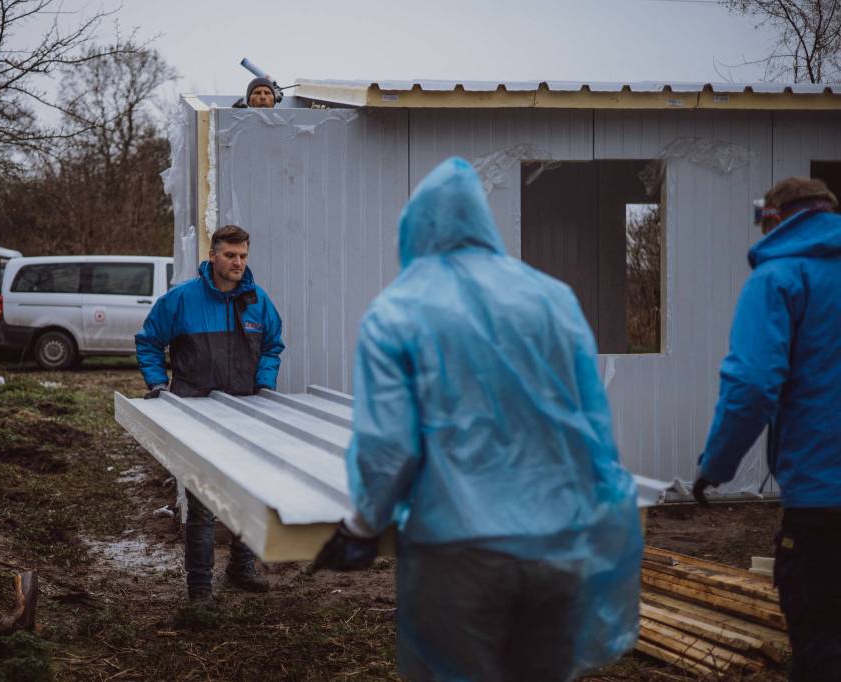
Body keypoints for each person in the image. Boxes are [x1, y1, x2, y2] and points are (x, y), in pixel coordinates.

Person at [313, 157, 642, 681]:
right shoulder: (554, 300)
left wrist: (363, 525)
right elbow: (594, 427)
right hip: (560, 545)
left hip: (458, 554)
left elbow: (392, 447)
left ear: (417, 229)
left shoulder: (398, 310)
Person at [693, 177, 841, 681]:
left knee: (821, 649)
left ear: (774, 219)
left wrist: (715, 466)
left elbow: (753, 385)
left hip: (823, 506)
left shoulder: (778, 280)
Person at [135, 224, 285, 607]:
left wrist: (264, 385)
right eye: (231, 255)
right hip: (195, 413)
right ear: (213, 256)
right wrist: (158, 385)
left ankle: (240, 567)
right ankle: (200, 588)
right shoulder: (182, 300)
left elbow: (272, 345)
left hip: (244, 412)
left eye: (243, 256)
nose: (238, 263)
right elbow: (149, 341)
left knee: (247, 494)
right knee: (202, 503)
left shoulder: (256, 301)